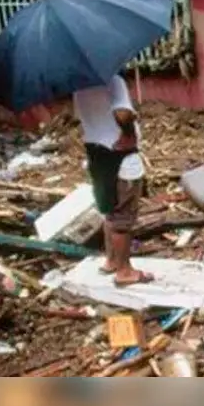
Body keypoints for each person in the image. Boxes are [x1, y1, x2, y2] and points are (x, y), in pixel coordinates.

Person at [73, 74, 152, 286]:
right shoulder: (113, 80)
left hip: (97, 154)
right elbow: (122, 113)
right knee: (123, 217)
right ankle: (124, 271)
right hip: (121, 156)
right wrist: (128, 132)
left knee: (108, 209)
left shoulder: (79, 86)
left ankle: (111, 261)